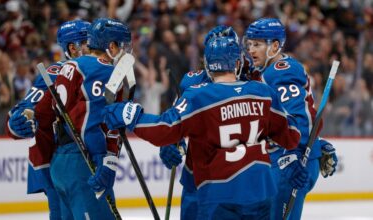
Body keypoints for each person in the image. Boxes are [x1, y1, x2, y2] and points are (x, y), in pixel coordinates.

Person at [103, 34, 309, 219]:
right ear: (238, 63)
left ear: (208, 66)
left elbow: (163, 129)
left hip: (218, 192)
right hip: (261, 190)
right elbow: (291, 136)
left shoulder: (199, 96)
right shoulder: (263, 92)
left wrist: (129, 115)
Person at [243, 17, 338, 219]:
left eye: (257, 44)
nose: (251, 50)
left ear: (275, 46)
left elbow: (297, 118)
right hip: (279, 161)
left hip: (289, 163)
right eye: (250, 44)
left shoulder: (283, 72)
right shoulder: (263, 72)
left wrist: (293, 153)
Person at [6, 19, 90, 220]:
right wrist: (18, 121)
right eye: (89, 42)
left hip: (79, 159)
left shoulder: (95, 71)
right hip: (56, 159)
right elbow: (26, 106)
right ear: (74, 48)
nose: (96, 47)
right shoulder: (57, 72)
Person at [50, 18, 131, 220]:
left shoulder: (71, 65)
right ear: (111, 46)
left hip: (60, 162)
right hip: (83, 161)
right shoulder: (105, 70)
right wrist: (102, 159)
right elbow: (91, 119)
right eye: (122, 46)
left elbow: (58, 108)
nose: (126, 52)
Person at [159, 25, 238, 220]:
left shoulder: (251, 82)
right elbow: (175, 117)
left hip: (234, 182)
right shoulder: (191, 83)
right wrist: (169, 140)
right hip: (196, 177)